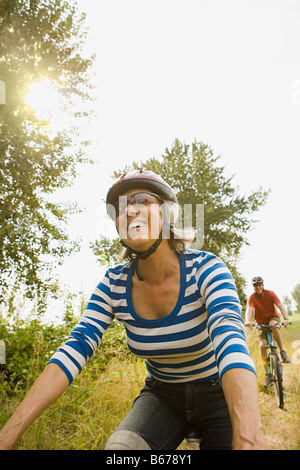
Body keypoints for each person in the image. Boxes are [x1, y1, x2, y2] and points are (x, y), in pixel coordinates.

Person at [0, 170, 267, 450]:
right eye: (120, 207)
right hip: (163, 396)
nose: (129, 210)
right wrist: (9, 434)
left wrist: (249, 435)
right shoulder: (113, 284)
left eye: (142, 200)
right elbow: (76, 346)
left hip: (219, 390)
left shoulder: (206, 268)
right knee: (120, 452)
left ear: (167, 214)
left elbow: (229, 337)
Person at [245, 276, 291, 387]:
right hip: (261, 323)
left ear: (263, 285)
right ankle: (268, 374)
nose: (258, 287)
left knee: (273, 325)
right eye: (255, 285)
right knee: (262, 346)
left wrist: (285, 318)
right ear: (253, 287)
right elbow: (249, 310)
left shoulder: (270, 294)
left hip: (272, 318)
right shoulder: (252, 297)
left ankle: (282, 351)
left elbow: (280, 306)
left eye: (259, 284)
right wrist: (248, 321)